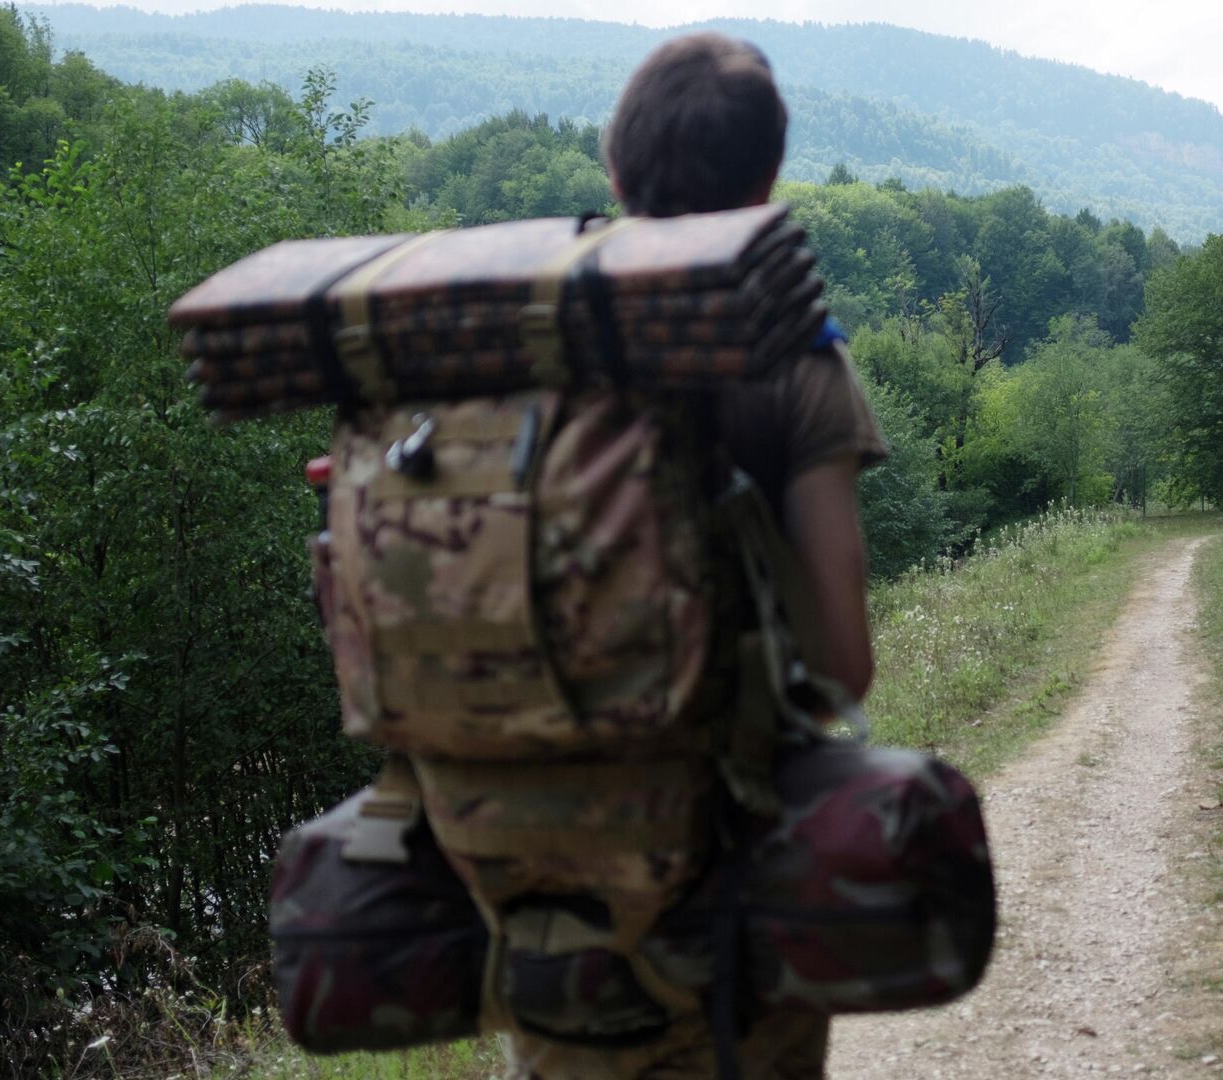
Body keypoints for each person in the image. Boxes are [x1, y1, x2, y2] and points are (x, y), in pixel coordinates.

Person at [498, 31, 888, 1080]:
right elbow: (844, 664)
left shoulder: (503, 344)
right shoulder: (796, 363)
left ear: (616, 173)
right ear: (767, 182)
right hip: (729, 918)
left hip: (527, 900)